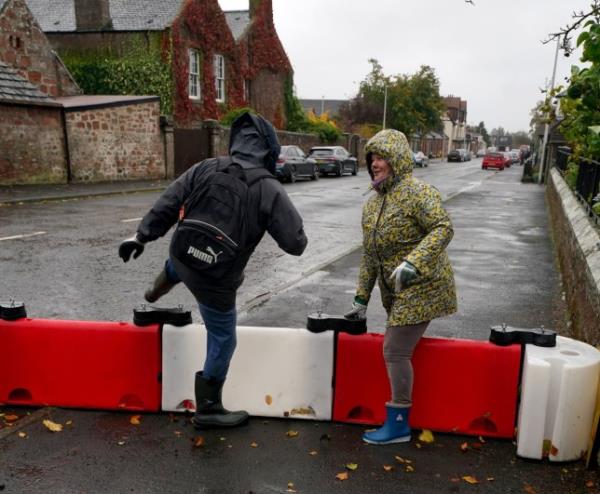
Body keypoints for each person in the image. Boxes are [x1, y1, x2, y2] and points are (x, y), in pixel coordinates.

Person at [118, 112, 308, 429]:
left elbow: (169, 199)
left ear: (237, 141)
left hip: (182, 254)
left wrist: (141, 236)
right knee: (223, 339)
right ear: (269, 149)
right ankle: (208, 407)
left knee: (182, 263)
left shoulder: (207, 166)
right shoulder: (268, 188)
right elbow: (295, 243)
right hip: (216, 278)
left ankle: (158, 286)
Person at [345, 129, 457, 445]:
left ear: (396, 159)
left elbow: (443, 227)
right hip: (397, 290)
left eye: (381, 157)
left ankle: (398, 424)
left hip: (425, 284)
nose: (374, 164)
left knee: (394, 349)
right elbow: (370, 255)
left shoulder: (417, 193)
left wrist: (413, 262)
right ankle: (401, 420)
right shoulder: (372, 204)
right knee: (399, 348)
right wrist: (360, 298)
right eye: (371, 158)